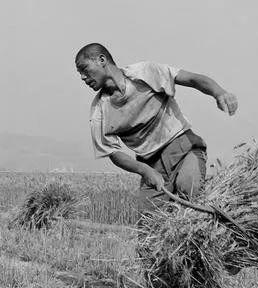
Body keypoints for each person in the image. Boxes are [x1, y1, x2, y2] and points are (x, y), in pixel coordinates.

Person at [75, 43, 238, 211]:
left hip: (183, 148)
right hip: (151, 165)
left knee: (189, 189)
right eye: (79, 73)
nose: (82, 77)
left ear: (102, 60)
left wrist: (219, 92)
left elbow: (192, 79)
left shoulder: (144, 73)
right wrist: (144, 170)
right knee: (149, 227)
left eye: (84, 69)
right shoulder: (99, 111)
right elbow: (112, 152)